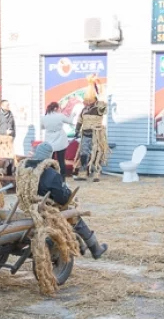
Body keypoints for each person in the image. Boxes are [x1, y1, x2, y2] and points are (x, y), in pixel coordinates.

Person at [15, 142, 108, 295]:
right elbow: (63, 198)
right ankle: (95, 248)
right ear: (50, 156)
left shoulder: (23, 168)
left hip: (25, 209)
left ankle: (83, 245)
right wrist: (66, 191)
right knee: (74, 217)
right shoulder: (50, 174)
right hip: (44, 211)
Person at [75, 79, 110, 182]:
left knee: (96, 154)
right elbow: (79, 120)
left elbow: (104, 107)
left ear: (94, 99)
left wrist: (100, 94)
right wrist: (77, 130)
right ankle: (82, 174)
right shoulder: (84, 109)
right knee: (84, 154)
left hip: (96, 135)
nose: (88, 101)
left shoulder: (99, 108)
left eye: (90, 99)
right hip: (85, 135)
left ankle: (96, 174)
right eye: (87, 99)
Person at [41, 102, 74, 177]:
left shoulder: (44, 118)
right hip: (60, 140)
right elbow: (70, 121)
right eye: (59, 108)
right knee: (61, 161)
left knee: (50, 161)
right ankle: (62, 179)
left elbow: (42, 127)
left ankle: (50, 177)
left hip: (49, 141)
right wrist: (73, 114)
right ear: (55, 108)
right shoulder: (60, 116)